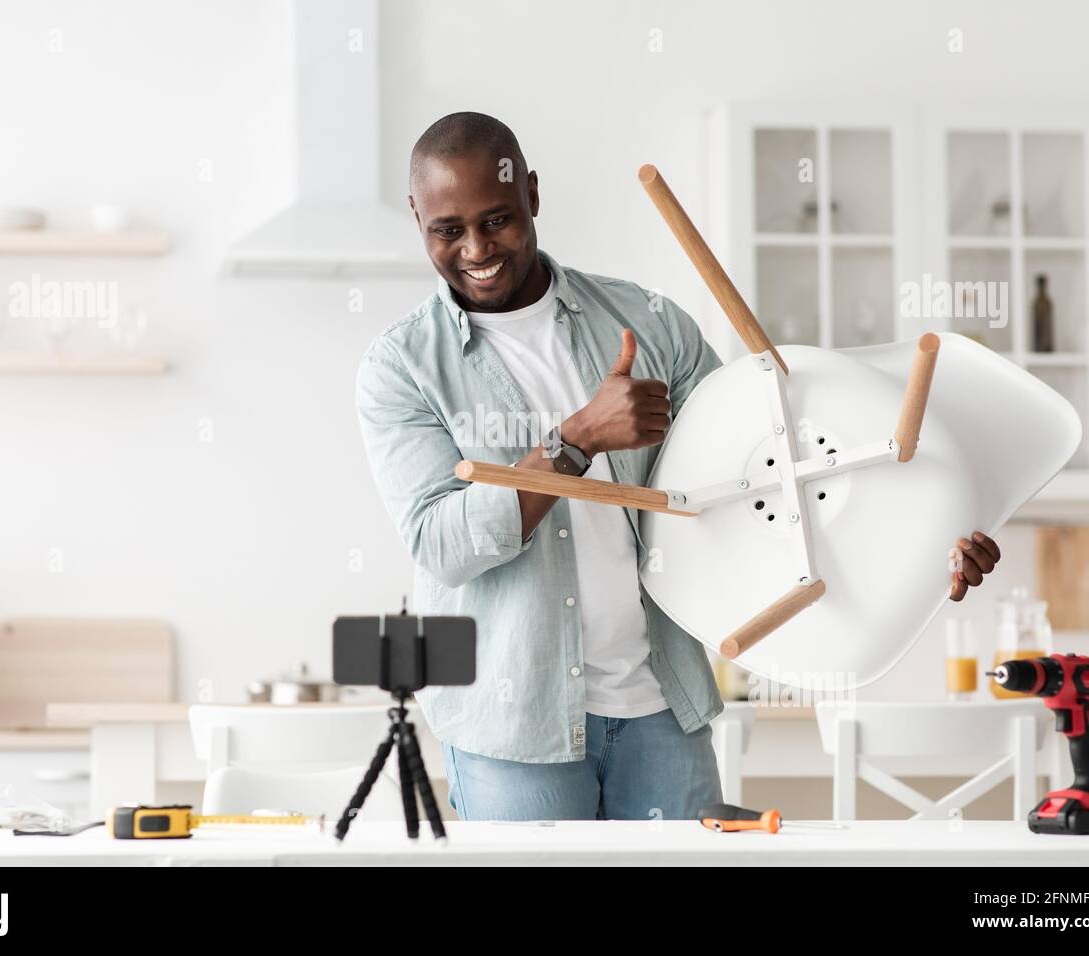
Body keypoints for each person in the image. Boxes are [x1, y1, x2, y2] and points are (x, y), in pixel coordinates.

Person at [355, 111, 1002, 821]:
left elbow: (766, 481)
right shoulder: (402, 368)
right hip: (512, 728)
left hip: (662, 708)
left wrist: (916, 539)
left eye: (498, 219)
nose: (477, 247)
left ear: (534, 196)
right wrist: (575, 442)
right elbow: (442, 545)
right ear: (417, 216)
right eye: (448, 229)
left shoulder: (651, 323)